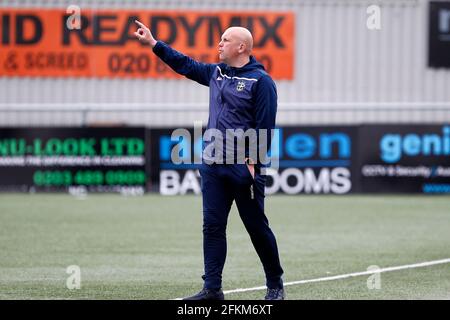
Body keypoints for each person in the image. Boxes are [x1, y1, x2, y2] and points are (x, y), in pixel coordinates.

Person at [134, 20, 285, 300]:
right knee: (212, 227)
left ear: (242, 47)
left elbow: (266, 125)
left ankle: (275, 284)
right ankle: (212, 289)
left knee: (256, 227)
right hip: (213, 165)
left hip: (244, 167)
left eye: (225, 40)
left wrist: (253, 161)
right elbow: (185, 64)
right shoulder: (216, 73)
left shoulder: (261, 82)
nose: (219, 44)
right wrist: (154, 44)